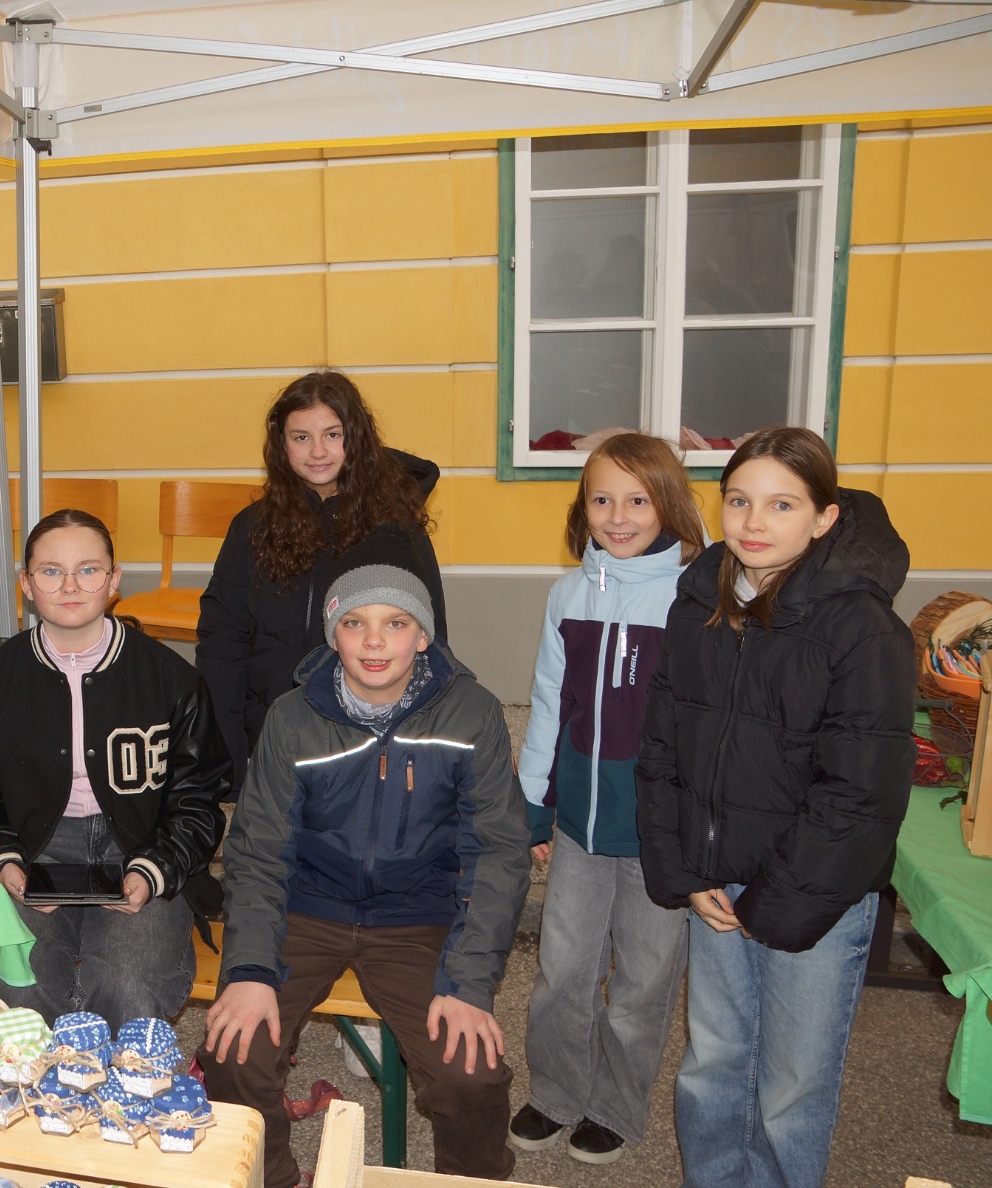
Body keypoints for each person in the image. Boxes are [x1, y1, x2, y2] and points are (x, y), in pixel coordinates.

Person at [635, 426, 914, 1188]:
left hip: (814, 897)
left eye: (782, 505)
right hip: (716, 882)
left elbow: (862, 791)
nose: (754, 523)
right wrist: (685, 869)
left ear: (825, 518)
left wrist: (776, 903)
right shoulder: (701, 601)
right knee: (713, 1062)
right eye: (739, 501)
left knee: (792, 1085)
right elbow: (662, 745)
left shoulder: (862, 627)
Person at [199, 555, 528, 1183]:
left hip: (419, 918)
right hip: (307, 909)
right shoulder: (292, 717)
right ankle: (272, 1178)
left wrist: (468, 983)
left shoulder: (472, 713)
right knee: (233, 1052)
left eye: (396, 623)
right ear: (333, 636)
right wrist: (249, 970)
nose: (375, 641)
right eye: (354, 623)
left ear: (423, 636)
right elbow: (259, 851)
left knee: (471, 1075)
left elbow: (496, 852)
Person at [510, 432, 708, 1166]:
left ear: (669, 506)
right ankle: (557, 1093)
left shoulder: (695, 598)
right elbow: (548, 704)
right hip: (580, 829)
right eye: (602, 499)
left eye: (638, 500)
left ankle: (615, 1108)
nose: (618, 517)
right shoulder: (568, 596)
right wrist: (533, 804)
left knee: (644, 980)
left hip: (661, 833)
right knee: (563, 969)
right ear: (582, 508)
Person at [0, 509, 228, 1025]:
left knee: (126, 983)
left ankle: (120, 1076)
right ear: (26, 584)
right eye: (51, 571)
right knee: (17, 981)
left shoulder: (171, 680)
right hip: (33, 845)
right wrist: (4, 866)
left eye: (89, 570)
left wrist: (153, 872)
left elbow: (198, 800)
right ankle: (36, 1077)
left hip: (140, 843)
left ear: (114, 579)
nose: (71, 585)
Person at [197, 370, 443, 789]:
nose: (317, 452)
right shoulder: (252, 527)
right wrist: (230, 756)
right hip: (270, 734)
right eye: (301, 437)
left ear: (357, 437)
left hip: (368, 741)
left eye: (332, 435)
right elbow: (222, 642)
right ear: (281, 445)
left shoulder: (396, 527)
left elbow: (431, 642)